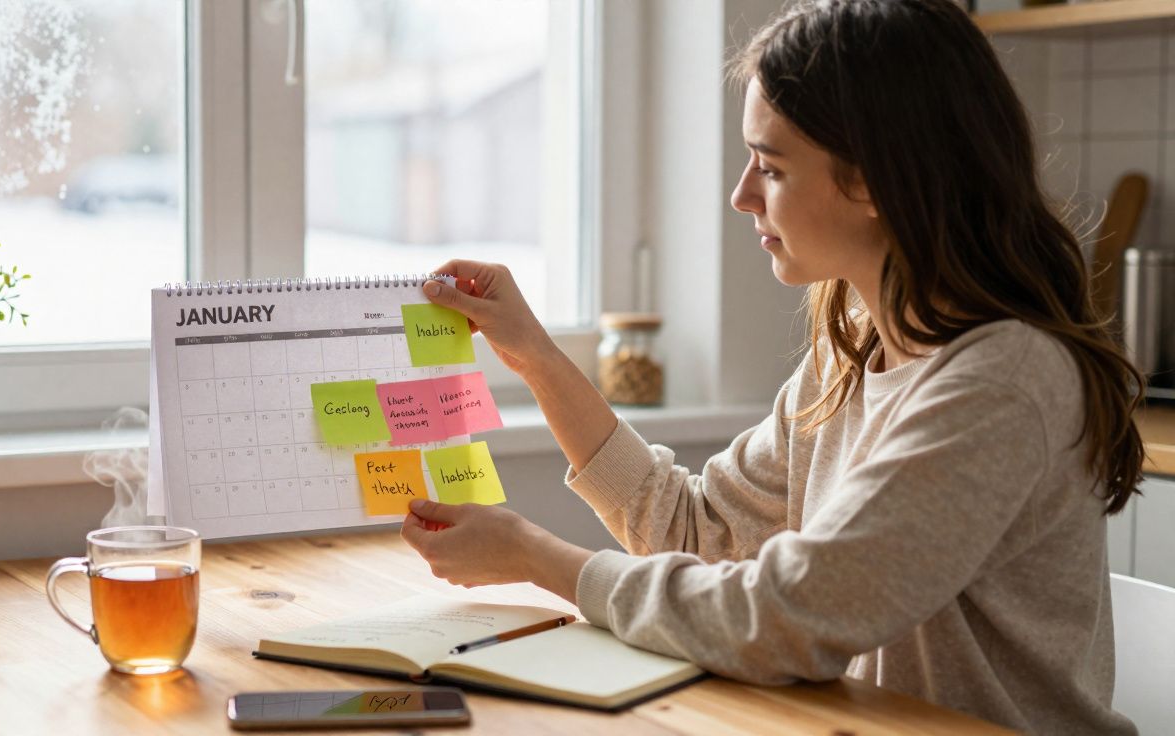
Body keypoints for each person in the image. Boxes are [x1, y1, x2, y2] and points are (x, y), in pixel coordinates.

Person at [398, 0, 1144, 732]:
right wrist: (534, 354)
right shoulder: (852, 349)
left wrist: (537, 557)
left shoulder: (1001, 384)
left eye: (772, 168)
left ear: (873, 180)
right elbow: (692, 529)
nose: (741, 195)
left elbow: (786, 616)